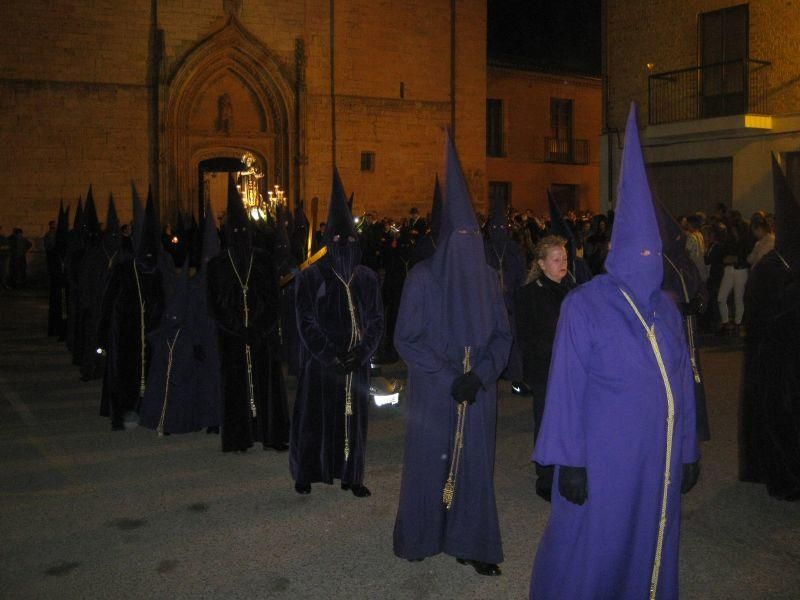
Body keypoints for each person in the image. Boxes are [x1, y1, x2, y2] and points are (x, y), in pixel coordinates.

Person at [529, 105, 699, 600]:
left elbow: (682, 380)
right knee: (594, 547)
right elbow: (565, 387)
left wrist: (687, 449)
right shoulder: (586, 305)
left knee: (649, 537)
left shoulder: (666, 309)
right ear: (617, 250)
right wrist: (569, 461)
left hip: (656, 456)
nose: (647, 260)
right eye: (638, 251)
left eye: (653, 251)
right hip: (604, 455)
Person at [393, 134, 512, 576]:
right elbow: (407, 338)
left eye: (471, 236)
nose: (466, 243)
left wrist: (479, 375)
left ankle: (472, 542)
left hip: (478, 388)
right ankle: (422, 534)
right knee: (429, 460)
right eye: (458, 236)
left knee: (475, 465)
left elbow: (502, 335)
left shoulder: (489, 278)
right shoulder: (423, 278)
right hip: (434, 388)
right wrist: (449, 377)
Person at [290, 169, 384, 496]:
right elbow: (305, 322)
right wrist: (331, 355)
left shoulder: (367, 278)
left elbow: (376, 320)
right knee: (314, 418)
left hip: (356, 362)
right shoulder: (311, 277)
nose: (346, 246)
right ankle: (307, 473)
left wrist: (360, 353)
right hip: (321, 363)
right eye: (339, 241)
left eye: (351, 241)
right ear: (329, 242)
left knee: (352, 421)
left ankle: (351, 475)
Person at [207, 176, 288, 452]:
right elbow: (215, 304)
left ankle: (271, 434)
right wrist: (237, 329)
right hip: (232, 337)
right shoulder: (218, 265)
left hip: (262, 335)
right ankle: (239, 438)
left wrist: (257, 327)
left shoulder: (263, 260)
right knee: (235, 384)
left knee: (267, 383)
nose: (241, 234)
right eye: (236, 230)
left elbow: (272, 299)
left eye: (244, 230)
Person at [739, 155, 800, 501]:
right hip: (775, 360)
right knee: (777, 416)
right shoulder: (770, 268)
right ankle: (780, 474)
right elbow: (759, 310)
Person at [97, 191, 167, 430]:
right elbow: (108, 303)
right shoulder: (122, 270)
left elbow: (163, 301)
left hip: (151, 333)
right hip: (124, 334)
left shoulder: (157, 271)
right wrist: (102, 337)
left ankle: (147, 411)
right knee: (125, 373)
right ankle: (124, 411)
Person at [514, 235, 573, 500]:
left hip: (572, 368)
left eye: (565, 258)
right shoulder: (529, 295)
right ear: (541, 263)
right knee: (547, 421)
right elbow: (527, 337)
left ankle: (570, 467)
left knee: (571, 420)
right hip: (545, 370)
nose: (562, 263)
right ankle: (546, 475)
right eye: (556, 259)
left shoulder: (573, 290)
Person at [484, 194, 526, 394]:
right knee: (491, 342)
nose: (498, 230)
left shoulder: (514, 249)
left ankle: (516, 380)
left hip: (510, 304)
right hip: (489, 304)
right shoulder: (485, 249)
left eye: (501, 227)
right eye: (494, 227)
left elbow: (521, 274)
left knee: (513, 341)